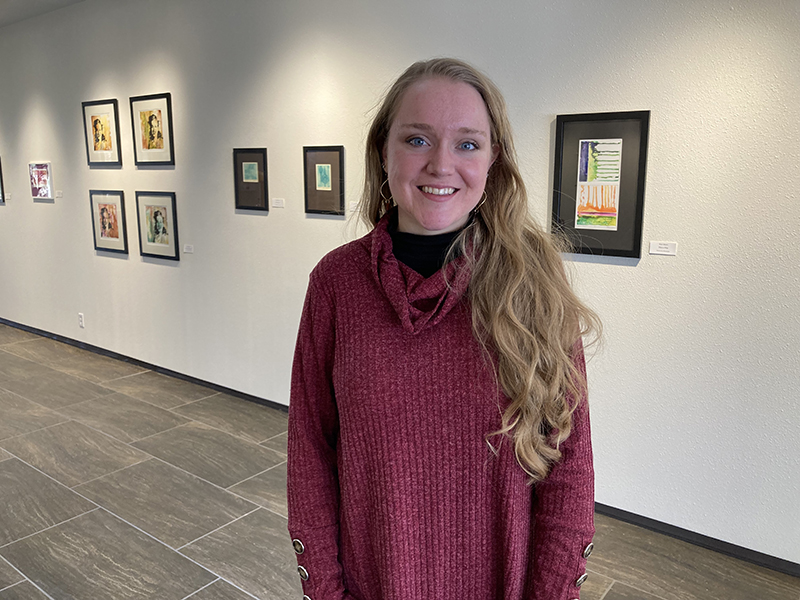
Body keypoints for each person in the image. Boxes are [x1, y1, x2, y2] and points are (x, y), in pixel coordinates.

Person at [287, 58, 601, 600]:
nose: (440, 164)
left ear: (493, 159)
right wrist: (327, 591)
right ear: (383, 150)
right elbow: (310, 453)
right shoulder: (336, 284)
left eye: (467, 144)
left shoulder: (535, 284)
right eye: (417, 139)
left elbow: (568, 471)